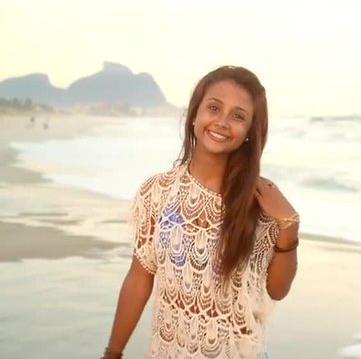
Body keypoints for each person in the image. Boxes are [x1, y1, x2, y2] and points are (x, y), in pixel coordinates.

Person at [102, 65, 300, 359]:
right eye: (213, 108)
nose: (222, 122)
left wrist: (289, 224)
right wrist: (112, 353)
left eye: (238, 116)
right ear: (194, 114)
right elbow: (139, 279)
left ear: (248, 132)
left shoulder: (261, 202)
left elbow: (277, 290)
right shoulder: (157, 192)